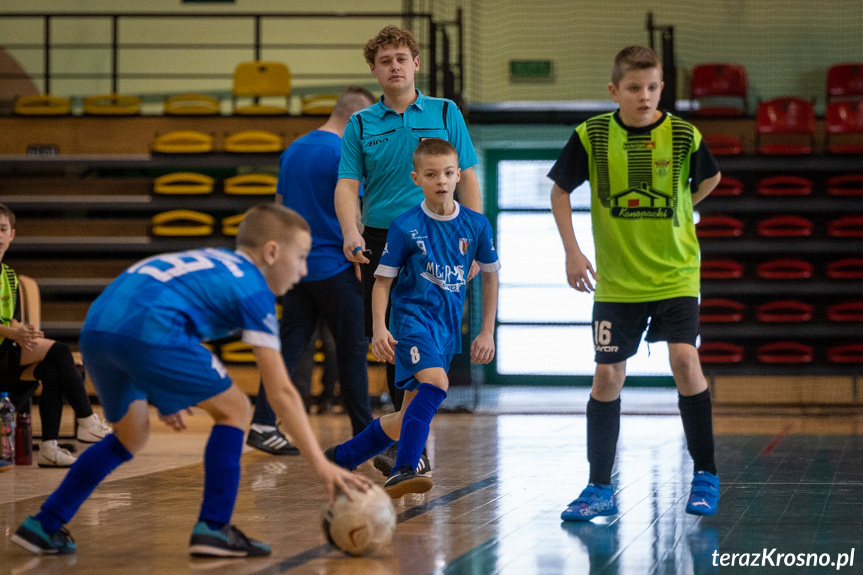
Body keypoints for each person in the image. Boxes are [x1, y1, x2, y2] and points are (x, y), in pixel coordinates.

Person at [11, 203, 371, 557]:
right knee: (236, 408)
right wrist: (319, 464)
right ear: (272, 252)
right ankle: (214, 528)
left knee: (130, 436)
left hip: (98, 328)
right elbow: (280, 391)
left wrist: (166, 392)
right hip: (151, 330)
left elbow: (155, 309)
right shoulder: (253, 288)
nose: (304, 269)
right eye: (303, 256)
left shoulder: (213, 261)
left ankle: (45, 523)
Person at [548, 46, 722, 521]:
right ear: (614, 90)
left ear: (661, 88)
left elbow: (710, 178)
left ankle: (705, 475)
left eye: (651, 87)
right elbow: (559, 192)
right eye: (633, 88)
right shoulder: (591, 136)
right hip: (618, 282)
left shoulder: (684, 136)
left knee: (685, 361)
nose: (643, 96)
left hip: (676, 273)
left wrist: (683, 205)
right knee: (607, 376)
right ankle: (598, 487)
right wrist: (573, 250)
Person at [334, 25, 482, 477]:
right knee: (394, 342)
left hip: (441, 240)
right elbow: (347, 185)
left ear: (416, 63)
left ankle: (395, 446)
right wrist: (349, 232)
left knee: (433, 342)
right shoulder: (360, 124)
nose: (394, 66)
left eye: (401, 58)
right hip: (383, 240)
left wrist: (473, 241)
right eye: (384, 61)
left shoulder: (445, 111)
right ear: (374, 70)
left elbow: (469, 175)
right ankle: (410, 452)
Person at [326, 138, 499, 499]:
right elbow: (381, 281)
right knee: (436, 385)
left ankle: (340, 458)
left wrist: (486, 332)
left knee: (407, 417)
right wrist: (378, 328)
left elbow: (490, 274)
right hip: (410, 320)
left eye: (449, 173)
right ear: (416, 178)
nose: (442, 180)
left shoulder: (477, 225)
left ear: (458, 176)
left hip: (446, 328)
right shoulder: (405, 226)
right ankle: (405, 468)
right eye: (432, 174)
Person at [247, 86, 376, 455]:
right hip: (336, 265)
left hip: (297, 270)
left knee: (287, 349)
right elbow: (354, 212)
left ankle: (262, 423)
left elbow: (279, 208)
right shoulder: (344, 153)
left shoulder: (293, 151)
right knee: (352, 350)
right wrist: (359, 256)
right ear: (355, 120)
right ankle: (364, 434)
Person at [0, 203, 111, 468]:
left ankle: (49, 448)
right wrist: (13, 333)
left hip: (6, 352)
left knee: (51, 367)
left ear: (12, 235)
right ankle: (87, 419)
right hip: (3, 353)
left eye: (3, 229)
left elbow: (11, 318)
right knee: (60, 351)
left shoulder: (8, 275)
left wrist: (23, 331)